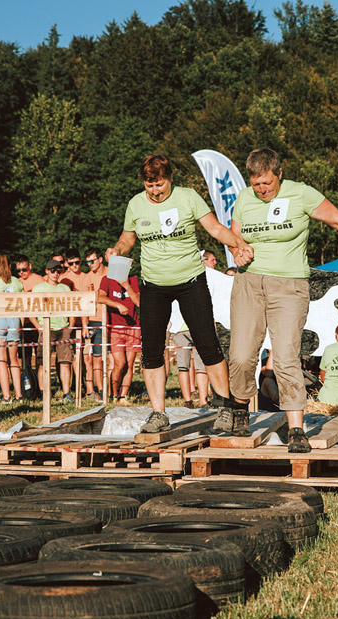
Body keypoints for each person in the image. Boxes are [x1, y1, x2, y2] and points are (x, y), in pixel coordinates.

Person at [229, 148, 338, 452]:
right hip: (248, 283)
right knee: (242, 355)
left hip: (289, 286)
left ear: (279, 174)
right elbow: (236, 237)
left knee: (285, 355)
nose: (262, 190)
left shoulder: (302, 194)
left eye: (267, 184)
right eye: (257, 184)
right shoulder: (244, 198)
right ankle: (239, 411)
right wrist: (238, 250)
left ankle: (296, 428)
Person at [107, 154, 253, 434]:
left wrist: (240, 244)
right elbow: (127, 238)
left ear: (170, 178)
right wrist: (118, 250)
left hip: (190, 282)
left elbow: (214, 228)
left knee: (207, 344)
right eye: (150, 186)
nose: (155, 191)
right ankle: (158, 413)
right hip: (153, 285)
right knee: (151, 351)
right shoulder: (136, 204)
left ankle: (225, 407)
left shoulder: (188, 197)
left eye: (160, 185)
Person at [0, 254, 25, 402]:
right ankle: (19, 395)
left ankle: (7, 396)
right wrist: (21, 323)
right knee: (14, 360)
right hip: (14, 321)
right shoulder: (17, 282)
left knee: (1, 360)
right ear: (10, 266)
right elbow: (22, 306)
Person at [32, 259, 74, 401]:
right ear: (47, 271)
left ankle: (66, 393)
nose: (56, 274)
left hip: (63, 328)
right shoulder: (38, 289)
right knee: (43, 362)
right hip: (46, 329)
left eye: (58, 271)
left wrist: (70, 326)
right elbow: (30, 310)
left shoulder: (65, 289)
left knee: (65, 361)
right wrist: (38, 327)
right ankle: (44, 393)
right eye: (53, 271)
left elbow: (73, 309)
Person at [98, 271, 140, 404]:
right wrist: (117, 304)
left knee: (129, 363)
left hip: (133, 327)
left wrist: (127, 286)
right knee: (119, 363)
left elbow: (138, 302)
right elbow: (100, 297)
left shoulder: (133, 279)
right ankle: (113, 394)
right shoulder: (107, 279)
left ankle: (123, 396)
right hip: (116, 327)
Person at [79, 248, 108, 401]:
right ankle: (101, 390)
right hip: (94, 321)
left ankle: (114, 390)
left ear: (100, 259)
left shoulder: (110, 273)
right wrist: (85, 325)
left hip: (111, 320)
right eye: (87, 262)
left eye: (92, 261)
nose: (90, 264)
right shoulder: (86, 278)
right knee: (95, 358)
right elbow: (83, 303)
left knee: (115, 359)